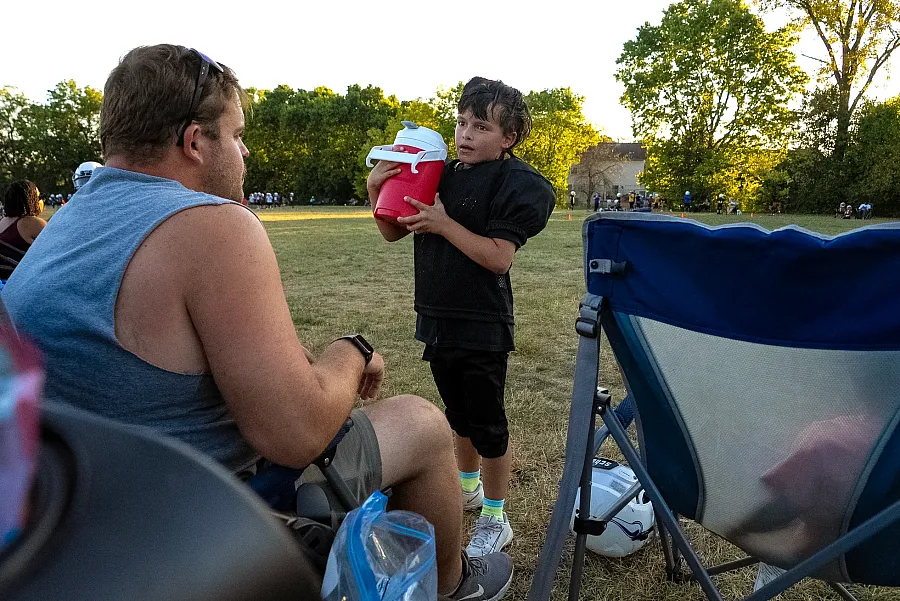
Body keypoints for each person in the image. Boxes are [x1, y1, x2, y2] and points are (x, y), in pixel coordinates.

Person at [1, 45, 513, 601]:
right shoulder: (212, 225)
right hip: (191, 514)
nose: (245, 152)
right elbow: (296, 434)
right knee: (422, 422)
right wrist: (353, 350)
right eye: (237, 134)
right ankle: (455, 586)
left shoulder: (64, 222)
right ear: (195, 142)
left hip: (73, 512)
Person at [367, 77, 555, 559]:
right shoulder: (440, 172)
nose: (465, 134)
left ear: (508, 137)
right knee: (459, 417)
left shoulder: (518, 185)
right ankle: (467, 487)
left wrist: (444, 223)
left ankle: (497, 515)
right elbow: (394, 233)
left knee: (488, 424)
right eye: (461, 122)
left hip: (481, 322)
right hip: (437, 316)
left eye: (481, 126)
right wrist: (376, 190)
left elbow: (497, 257)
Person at [0, 180, 47, 280]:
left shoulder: (2, 221)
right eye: (39, 197)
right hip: (20, 283)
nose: (41, 201)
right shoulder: (33, 223)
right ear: (31, 200)